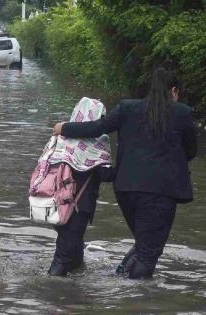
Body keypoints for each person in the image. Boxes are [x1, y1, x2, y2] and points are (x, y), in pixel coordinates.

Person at [53, 68, 197, 279]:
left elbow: (97, 127)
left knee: (144, 244)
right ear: (174, 90)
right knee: (149, 253)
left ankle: (120, 277)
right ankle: (135, 300)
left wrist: (64, 127)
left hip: (126, 189)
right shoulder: (182, 113)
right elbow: (191, 151)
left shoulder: (128, 108)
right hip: (161, 192)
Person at [44, 98, 115, 276]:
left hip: (56, 203)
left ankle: (74, 287)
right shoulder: (95, 146)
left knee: (72, 248)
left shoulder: (60, 140)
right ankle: (53, 292)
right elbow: (105, 175)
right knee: (63, 255)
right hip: (78, 206)